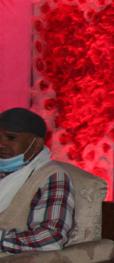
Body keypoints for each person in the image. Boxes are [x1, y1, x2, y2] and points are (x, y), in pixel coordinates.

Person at [0, 108, 76, 253]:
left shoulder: (52, 177)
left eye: (11, 138)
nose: (1, 144)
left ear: (36, 144)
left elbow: (51, 239)